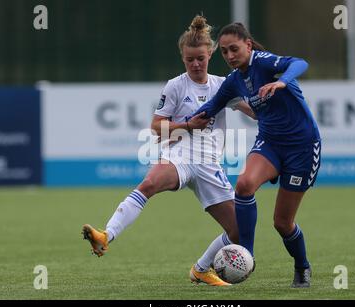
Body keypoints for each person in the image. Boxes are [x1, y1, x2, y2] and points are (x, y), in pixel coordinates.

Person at [82, 16, 255, 287]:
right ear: (183, 59)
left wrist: (268, 96)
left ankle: (201, 269)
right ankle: (106, 236)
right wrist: (187, 124)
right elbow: (156, 128)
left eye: (200, 58)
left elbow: (253, 111)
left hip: (209, 162)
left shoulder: (223, 85)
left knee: (238, 231)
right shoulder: (176, 86)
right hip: (181, 155)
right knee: (148, 184)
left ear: (209, 54)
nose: (196, 64)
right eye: (190, 60)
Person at [191, 22, 321, 288]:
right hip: (270, 143)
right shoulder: (234, 81)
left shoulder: (263, 62)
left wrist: (283, 81)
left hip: (302, 147)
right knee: (244, 184)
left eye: (234, 49)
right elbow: (212, 107)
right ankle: (246, 255)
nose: (229, 56)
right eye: (224, 51)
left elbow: (300, 62)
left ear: (248, 45)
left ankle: (302, 266)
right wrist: (184, 122)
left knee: (282, 223)